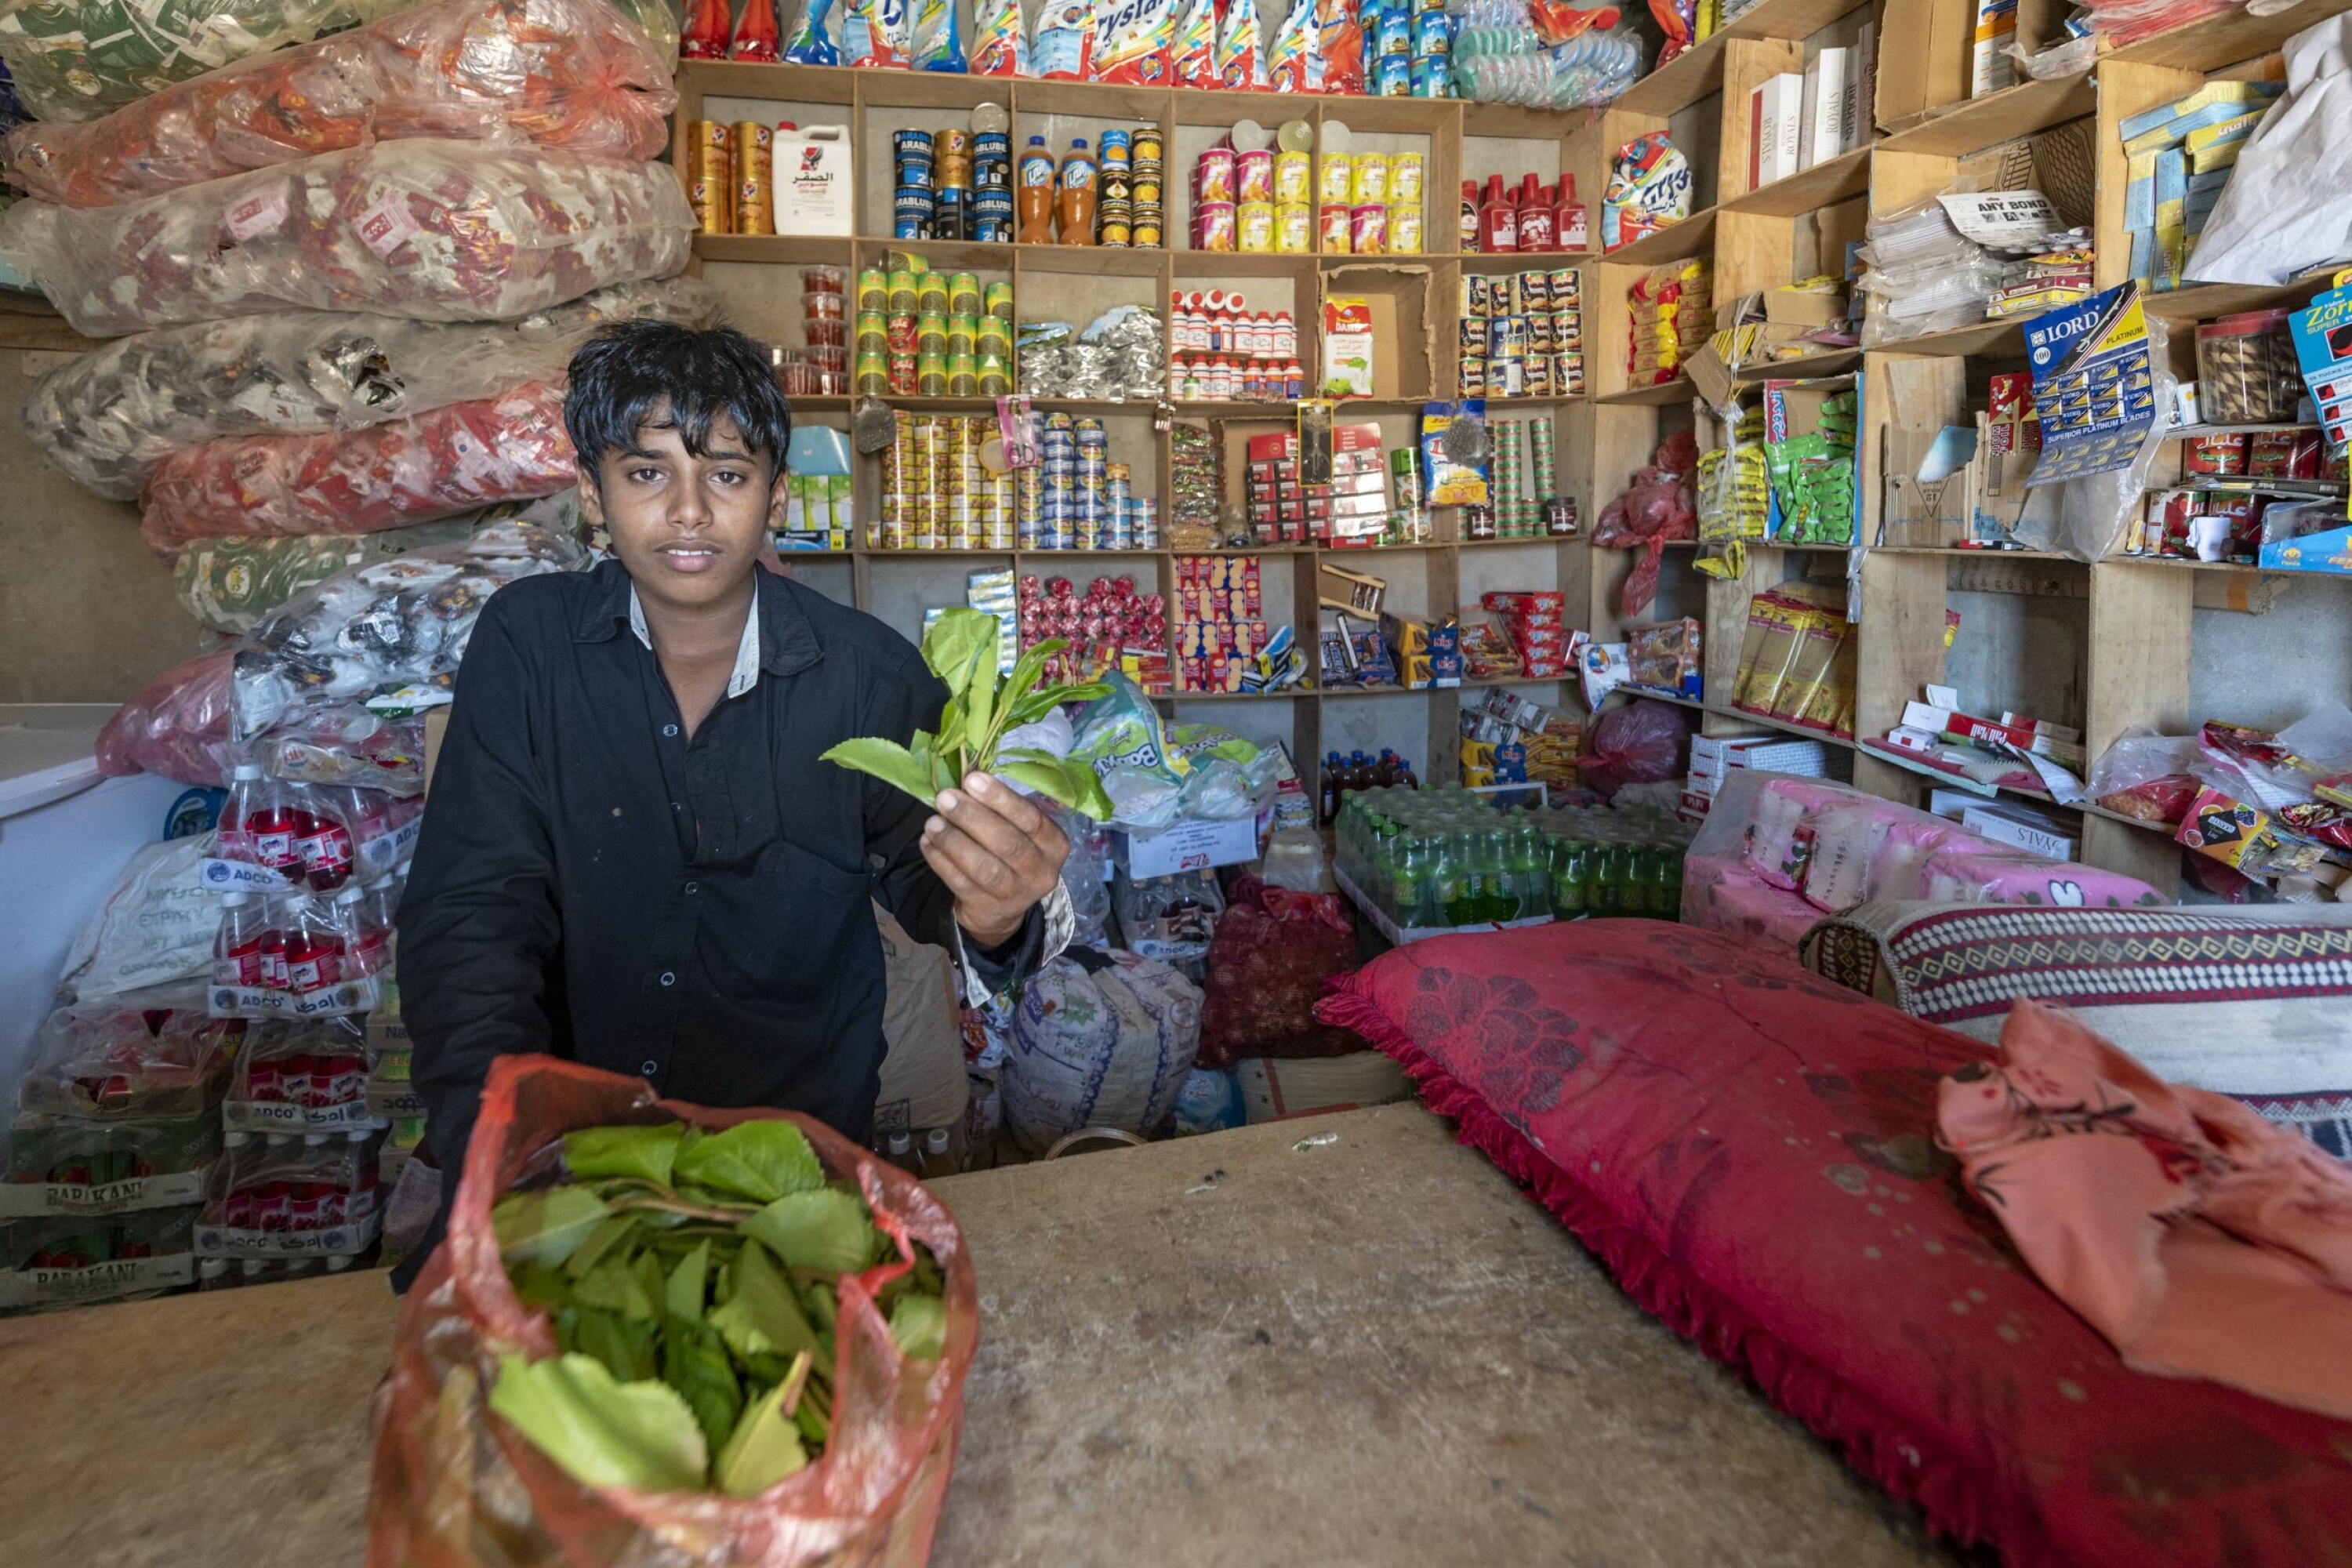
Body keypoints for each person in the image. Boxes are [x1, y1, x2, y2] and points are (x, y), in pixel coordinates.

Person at [391, 321, 1073, 1287]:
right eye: (645, 473)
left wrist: (1001, 905)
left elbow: (945, 884)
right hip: (572, 1167)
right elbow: (471, 911)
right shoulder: (527, 648)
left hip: (790, 1174)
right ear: (591, 493)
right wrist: (496, 1156)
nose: (687, 512)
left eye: (726, 474)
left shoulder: (868, 675)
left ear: (776, 496)